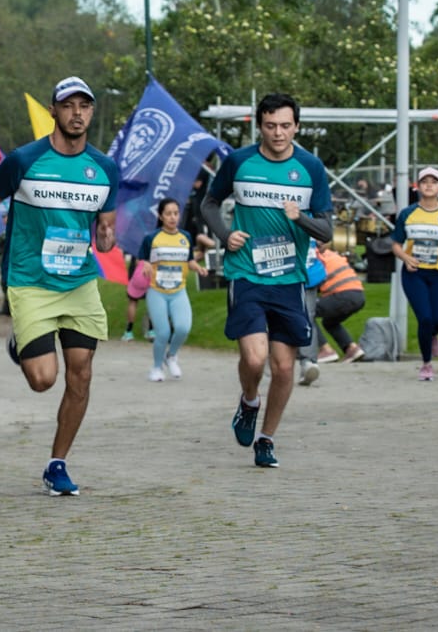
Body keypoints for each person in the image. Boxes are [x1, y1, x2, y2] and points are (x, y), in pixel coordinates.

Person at [0, 76, 118, 496]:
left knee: (82, 375)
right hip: (31, 281)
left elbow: (106, 225)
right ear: (53, 110)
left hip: (79, 282)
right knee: (42, 379)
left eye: (84, 106)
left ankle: (57, 464)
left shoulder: (105, 169)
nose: (77, 113)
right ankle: (22, 343)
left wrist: (107, 237)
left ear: (91, 112)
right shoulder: (25, 159)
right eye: (68, 105)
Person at [202, 93, 333, 469]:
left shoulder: (310, 168)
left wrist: (300, 219)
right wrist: (226, 236)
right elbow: (209, 204)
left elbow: (326, 229)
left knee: (285, 367)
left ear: (297, 127)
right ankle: (248, 400)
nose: (278, 133)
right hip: (247, 272)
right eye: (271, 125)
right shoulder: (239, 162)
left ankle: (267, 438)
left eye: (286, 126)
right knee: (255, 358)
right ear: (259, 125)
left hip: (290, 279)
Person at [389, 167, 438, 381]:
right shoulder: (408, 213)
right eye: (425, 181)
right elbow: (395, 244)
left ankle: (434, 336)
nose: (429, 185)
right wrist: (406, 257)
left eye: (434, 182)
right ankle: (426, 364)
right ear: (418, 186)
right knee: (425, 318)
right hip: (414, 274)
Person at [137, 198, 201, 381]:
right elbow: (144, 259)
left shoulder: (185, 237)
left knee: (183, 328)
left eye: (176, 213)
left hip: (179, 291)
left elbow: (189, 260)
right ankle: (156, 368)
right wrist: (146, 265)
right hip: (157, 291)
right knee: (163, 332)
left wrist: (197, 267)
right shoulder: (152, 238)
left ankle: (171, 355)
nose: (173, 217)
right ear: (161, 216)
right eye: (168, 214)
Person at [310, 242, 366, 363]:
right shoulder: (330, 254)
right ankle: (351, 349)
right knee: (330, 322)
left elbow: (313, 281)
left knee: (306, 312)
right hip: (358, 294)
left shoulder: (314, 258)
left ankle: (325, 350)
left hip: (342, 295)